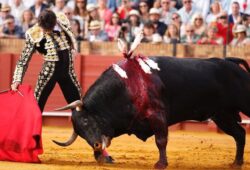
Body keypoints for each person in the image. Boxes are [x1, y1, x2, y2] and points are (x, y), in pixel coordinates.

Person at [11, 9, 81, 112]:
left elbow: (71, 36)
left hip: (67, 70)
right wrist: (17, 79)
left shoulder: (62, 20)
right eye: (44, 28)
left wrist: (74, 48)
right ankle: (32, 128)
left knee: (79, 106)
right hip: (49, 72)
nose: (45, 31)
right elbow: (23, 60)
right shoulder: (33, 33)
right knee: (36, 107)